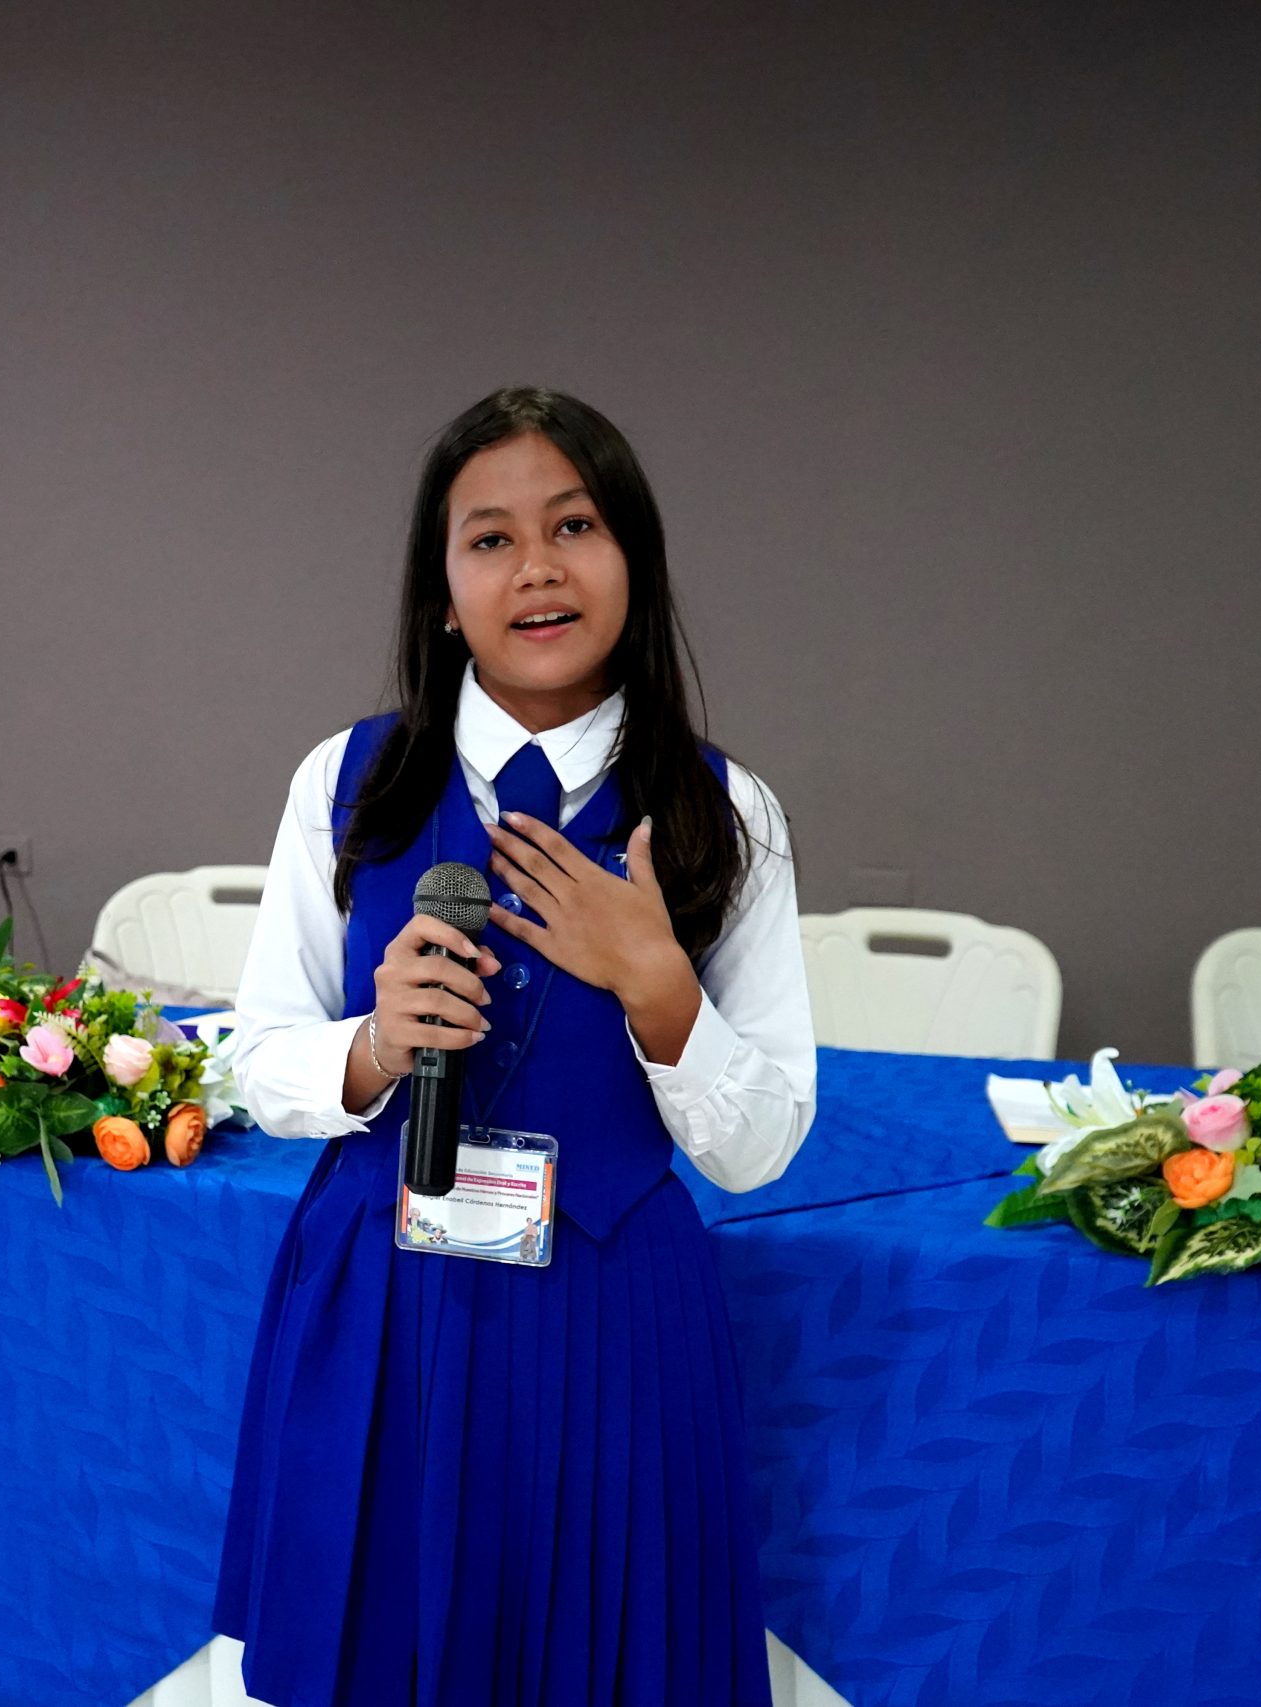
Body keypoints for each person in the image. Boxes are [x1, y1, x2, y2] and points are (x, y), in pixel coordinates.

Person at [214, 386, 817, 1706]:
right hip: (384, 1298)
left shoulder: (727, 812)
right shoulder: (349, 782)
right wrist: (375, 1046)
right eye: (490, 539)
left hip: (616, 1309)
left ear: (634, 561)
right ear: (441, 593)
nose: (537, 567)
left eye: (575, 526)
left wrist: (659, 987)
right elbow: (254, 1057)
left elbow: (763, 1144)